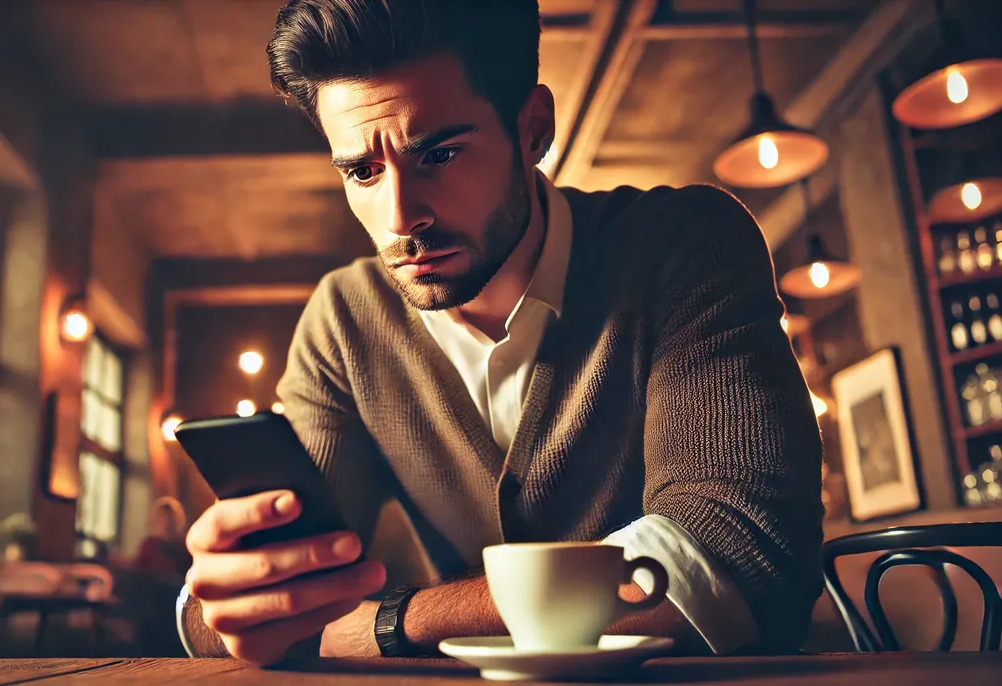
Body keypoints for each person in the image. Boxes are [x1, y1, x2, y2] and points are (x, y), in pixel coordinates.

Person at [179, 0, 823, 667]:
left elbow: (739, 559)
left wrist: (395, 622)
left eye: (440, 154)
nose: (401, 216)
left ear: (533, 128)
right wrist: (223, 594)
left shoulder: (685, 245)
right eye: (361, 171)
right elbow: (253, 608)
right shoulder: (343, 319)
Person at [132, 496, 192, 579]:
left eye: (169, 517)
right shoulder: (149, 544)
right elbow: (138, 571)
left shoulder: (185, 546)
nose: (166, 521)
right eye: (162, 517)